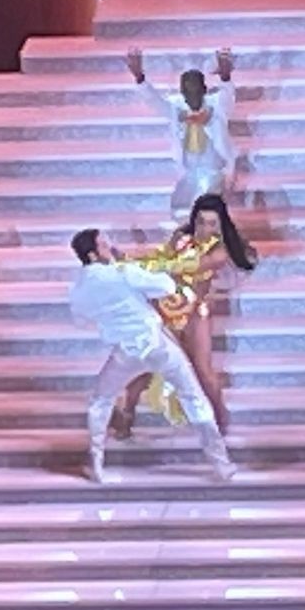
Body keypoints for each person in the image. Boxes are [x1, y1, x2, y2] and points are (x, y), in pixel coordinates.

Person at [68, 227, 237, 484]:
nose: (110, 247)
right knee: (193, 397)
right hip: (157, 344)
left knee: (100, 401)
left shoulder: (80, 287)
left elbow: (81, 318)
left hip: (125, 350)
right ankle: (221, 464)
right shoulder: (123, 272)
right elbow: (166, 286)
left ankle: (96, 464)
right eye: (104, 244)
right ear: (92, 254)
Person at [112, 192, 258, 436]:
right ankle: (125, 416)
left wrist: (147, 265)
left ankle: (219, 421)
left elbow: (190, 265)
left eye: (211, 224)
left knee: (203, 370)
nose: (205, 229)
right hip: (167, 308)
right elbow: (161, 257)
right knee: (147, 363)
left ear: (220, 225)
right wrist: (131, 261)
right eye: (200, 222)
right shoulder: (181, 237)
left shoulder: (220, 250)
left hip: (195, 314)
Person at [128, 46, 237, 220]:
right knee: (180, 211)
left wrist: (225, 76)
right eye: (187, 92)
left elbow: (227, 96)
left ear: (204, 89)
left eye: (196, 91)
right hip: (189, 171)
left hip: (214, 170)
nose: (192, 97)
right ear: (182, 93)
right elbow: (155, 101)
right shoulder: (176, 107)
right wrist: (140, 78)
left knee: (209, 207)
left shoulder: (216, 105)